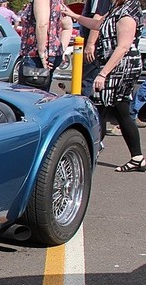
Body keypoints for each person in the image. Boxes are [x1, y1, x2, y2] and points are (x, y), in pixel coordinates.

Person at [63, 0, 144, 172]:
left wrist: (103, 74)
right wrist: (74, 15)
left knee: (101, 109)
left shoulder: (127, 12)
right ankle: (136, 157)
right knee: (118, 111)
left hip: (121, 68)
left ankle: (90, 153)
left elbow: (123, 47)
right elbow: (98, 24)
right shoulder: (118, 8)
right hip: (115, 67)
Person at [17, 0, 64, 92]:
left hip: (36, 55)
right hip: (48, 53)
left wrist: (42, 53)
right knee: (43, 95)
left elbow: (42, 25)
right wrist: (61, 48)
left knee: (30, 96)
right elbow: (67, 25)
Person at [78, 0, 112, 97]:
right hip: (97, 44)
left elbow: (98, 17)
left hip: (96, 46)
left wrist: (90, 44)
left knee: (86, 82)